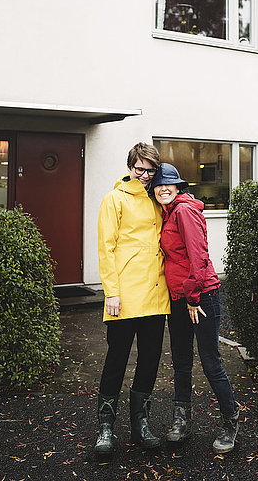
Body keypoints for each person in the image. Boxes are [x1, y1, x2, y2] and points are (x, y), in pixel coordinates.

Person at [151, 163, 240, 454]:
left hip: (200, 297)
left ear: (178, 188)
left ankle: (230, 422)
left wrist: (193, 298)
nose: (163, 188)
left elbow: (199, 258)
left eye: (169, 184)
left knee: (210, 362)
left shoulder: (184, 211)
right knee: (181, 361)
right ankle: (182, 422)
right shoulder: (168, 213)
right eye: (159, 185)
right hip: (179, 298)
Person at [94, 143, 170, 455]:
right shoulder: (114, 199)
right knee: (116, 360)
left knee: (150, 360)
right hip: (122, 297)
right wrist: (111, 291)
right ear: (130, 168)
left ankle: (140, 424)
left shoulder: (157, 201)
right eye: (140, 169)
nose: (145, 175)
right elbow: (106, 247)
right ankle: (106, 428)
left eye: (151, 170)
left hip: (154, 294)